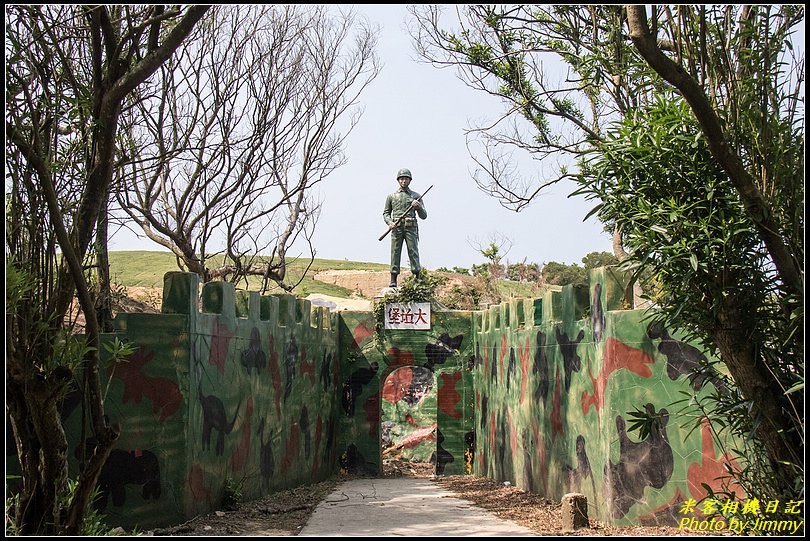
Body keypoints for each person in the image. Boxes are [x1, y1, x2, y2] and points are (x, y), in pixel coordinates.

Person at [382, 168, 427, 287]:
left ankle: (417, 277)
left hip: (410, 228)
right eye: (401, 179)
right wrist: (389, 222)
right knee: (395, 252)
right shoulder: (391, 196)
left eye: (406, 179)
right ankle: (393, 279)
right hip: (396, 228)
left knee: (413, 251)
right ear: (398, 180)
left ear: (410, 180)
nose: (403, 181)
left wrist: (418, 207)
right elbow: (386, 213)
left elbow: (424, 216)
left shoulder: (416, 196)